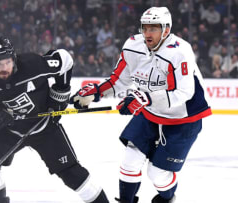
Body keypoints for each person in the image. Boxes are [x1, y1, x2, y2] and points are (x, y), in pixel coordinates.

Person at [0, 37, 109, 203]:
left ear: (13, 58)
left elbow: (65, 58)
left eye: (7, 62)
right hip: (9, 129)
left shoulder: (33, 65)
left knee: (72, 174)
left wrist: (60, 92)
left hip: (45, 127)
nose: (4, 68)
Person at [70, 7, 212, 203]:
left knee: (157, 174)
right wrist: (97, 91)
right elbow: (119, 80)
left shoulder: (179, 51)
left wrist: (144, 98)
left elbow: (183, 93)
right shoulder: (132, 46)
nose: (147, 34)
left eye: (153, 28)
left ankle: (167, 199)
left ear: (166, 30)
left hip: (183, 119)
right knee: (130, 161)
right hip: (150, 112)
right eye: (144, 28)